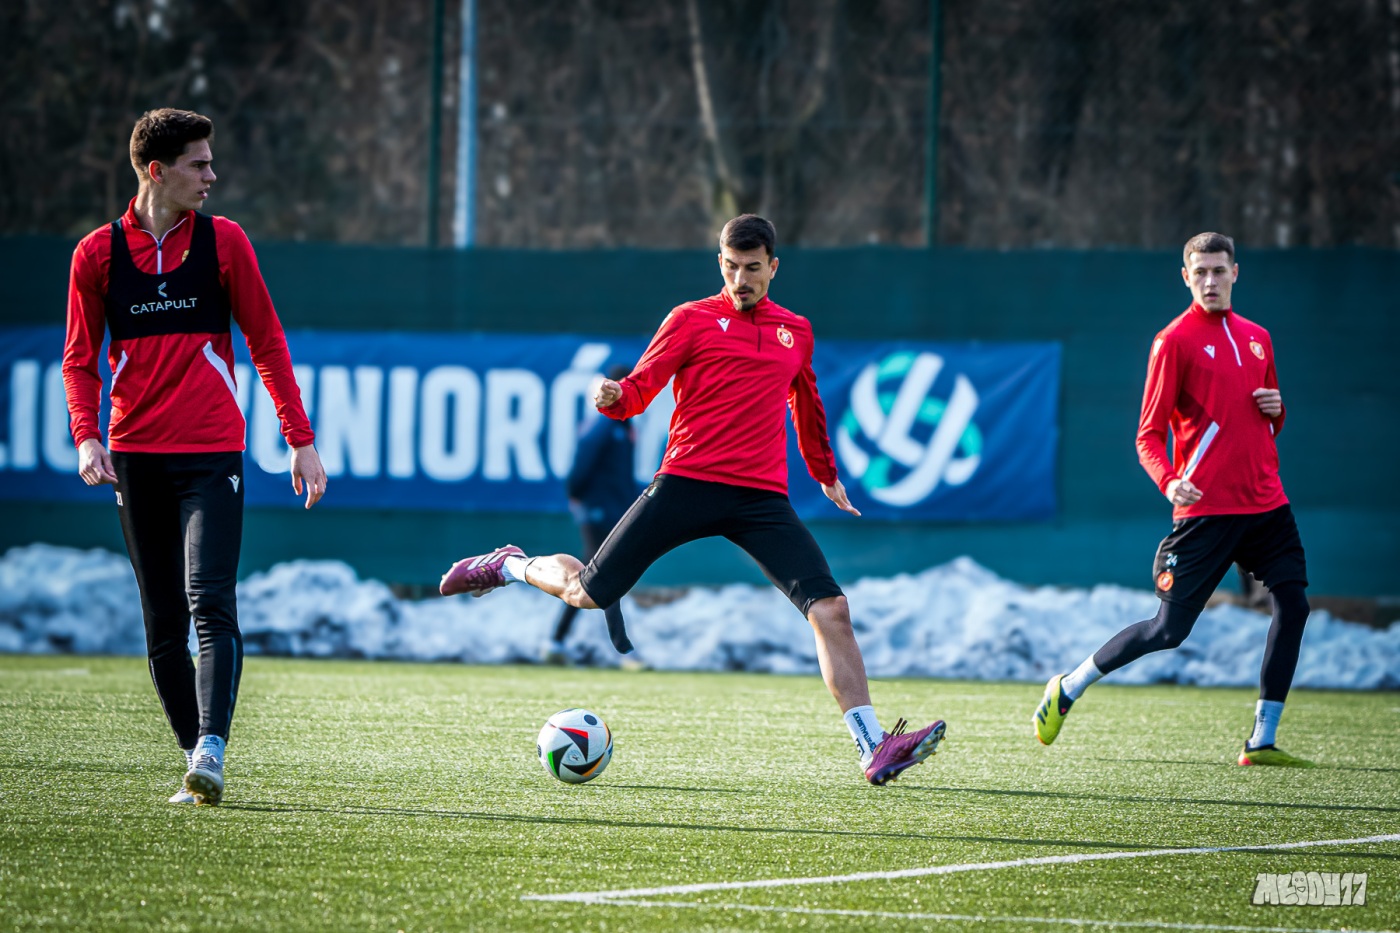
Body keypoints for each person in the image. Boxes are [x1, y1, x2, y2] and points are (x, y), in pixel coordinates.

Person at [441, 214, 946, 786]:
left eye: (752, 268)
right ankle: (510, 564)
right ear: (720, 264)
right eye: (731, 267)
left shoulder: (795, 331)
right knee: (587, 593)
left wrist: (825, 474)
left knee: (831, 609)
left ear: (773, 267)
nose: (740, 279)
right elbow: (639, 388)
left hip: (760, 498)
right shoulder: (690, 319)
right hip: (687, 481)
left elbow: (805, 403)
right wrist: (613, 397)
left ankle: (873, 746)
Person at [63, 108, 327, 805]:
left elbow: (267, 343)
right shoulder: (95, 254)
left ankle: (212, 746)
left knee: (210, 599)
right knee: (162, 624)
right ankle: (192, 754)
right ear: (157, 171)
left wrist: (299, 439)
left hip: (212, 454)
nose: (212, 175)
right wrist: (86, 434)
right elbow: (79, 360)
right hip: (135, 457)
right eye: (199, 164)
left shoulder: (226, 242)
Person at [1033, 232, 1313, 767]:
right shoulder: (1174, 341)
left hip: (1266, 505)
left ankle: (1262, 739)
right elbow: (1147, 435)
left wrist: (1277, 410)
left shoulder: (1258, 338)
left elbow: (1267, 423)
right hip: (1206, 510)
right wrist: (1168, 480)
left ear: (1235, 273)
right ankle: (1068, 687)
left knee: (1294, 605)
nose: (1210, 280)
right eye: (1200, 272)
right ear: (1186, 277)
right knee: (1168, 631)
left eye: (1219, 270)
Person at [542, 364, 641, 665]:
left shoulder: (622, 427)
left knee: (591, 577)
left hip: (611, 510)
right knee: (608, 574)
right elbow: (581, 464)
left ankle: (556, 640)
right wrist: (580, 497)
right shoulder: (605, 424)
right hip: (598, 511)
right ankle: (623, 650)